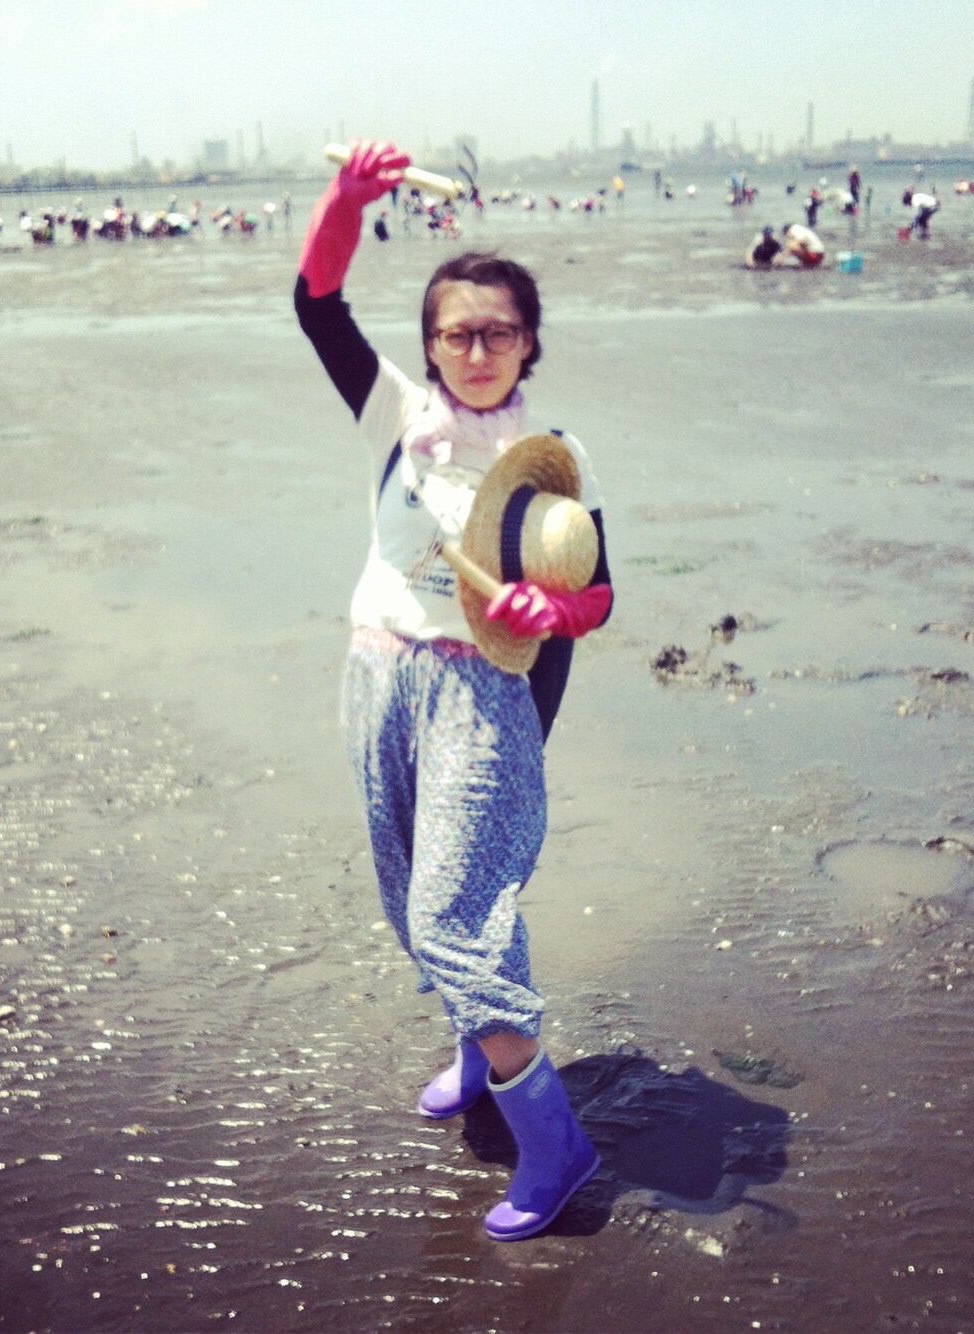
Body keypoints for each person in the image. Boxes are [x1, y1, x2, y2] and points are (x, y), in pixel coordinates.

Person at [293, 139, 612, 1242]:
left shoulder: (553, 461)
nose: (476, 351)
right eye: (456, 334)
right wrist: (346, 198)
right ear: (429, 345)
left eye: (498, 332)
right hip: (378, 675)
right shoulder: (394, 417)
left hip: (484, 698)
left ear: (529, 342)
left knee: (455, 912)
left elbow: (599, 592)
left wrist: (552, 612)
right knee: (407, 891)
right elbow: (319, 305)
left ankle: (556, 1145)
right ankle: (479, 1053)